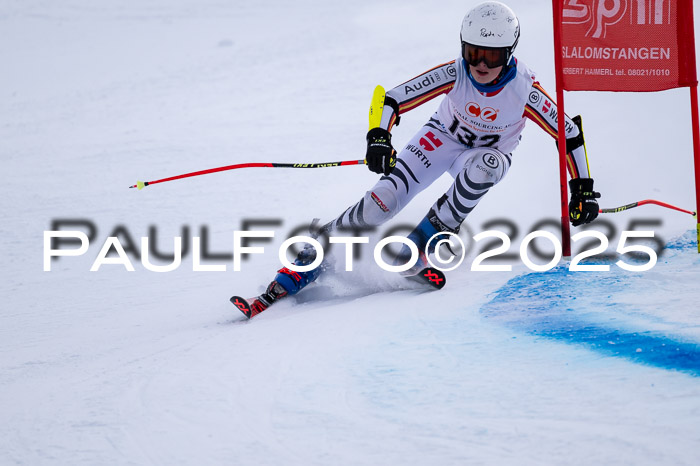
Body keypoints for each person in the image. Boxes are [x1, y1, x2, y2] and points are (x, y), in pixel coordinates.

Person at [241, 1, 601, 317]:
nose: (480, 64)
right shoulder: (456, 72)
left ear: (508, 53)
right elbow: (391, 98)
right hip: (440, 139)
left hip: (486, 153)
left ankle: (420, 244)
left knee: (483, 169)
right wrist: (379, 137)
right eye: (473, 52)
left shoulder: (524, 89)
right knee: (380, 204)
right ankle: (313, 253)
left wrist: (582, 189)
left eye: (490, 56)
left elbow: (568, 133)